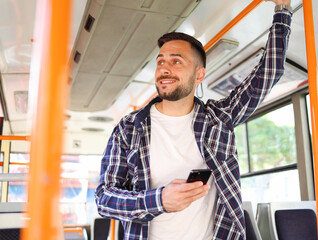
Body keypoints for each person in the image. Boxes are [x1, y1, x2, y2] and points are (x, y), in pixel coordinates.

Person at [95, 0, 292, 239]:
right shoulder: (129, 128)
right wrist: (159, 200)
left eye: (176, 61)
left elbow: (268, 73)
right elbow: (104, 199)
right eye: (161, 62)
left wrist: (282, 9)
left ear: (199, 75)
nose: (164, 69)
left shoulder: (219, 119)